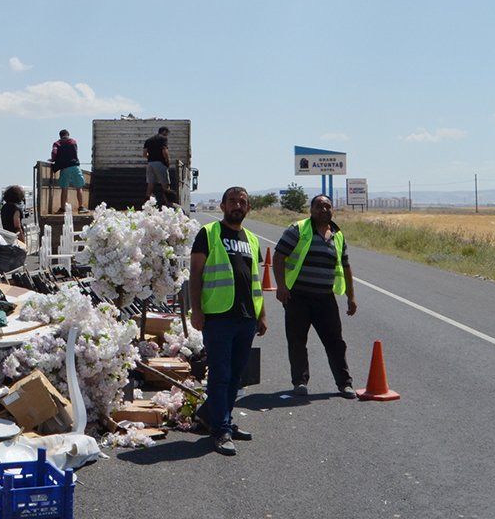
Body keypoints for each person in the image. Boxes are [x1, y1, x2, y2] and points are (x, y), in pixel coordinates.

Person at [189, 186, 268, 456]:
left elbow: (254, 278)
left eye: (242, 202)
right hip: (219, 316)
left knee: (236, 376)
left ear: (248, 208)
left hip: (246, 317)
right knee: (220, 375)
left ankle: (220, 419)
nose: (237, 205)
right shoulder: (208, 234)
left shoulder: (252, 240)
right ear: (222, 206)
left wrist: (262, 314)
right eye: (232, 201)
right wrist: (196, 311)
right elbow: (196, 275)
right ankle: (220, 429)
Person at [271, 193, 357, 399]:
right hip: (297, 297)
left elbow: (345, 267)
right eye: (319, 207)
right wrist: (281, 286)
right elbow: (279, 256)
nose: (324, 210)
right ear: (311, 210)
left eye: (327, 207)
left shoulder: (338, 235)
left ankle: (344, 383)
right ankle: (300, 382)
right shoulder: (298, 230)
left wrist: (351, 297)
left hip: (325, 298)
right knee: (297, 340)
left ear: (332, 210)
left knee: (335, 342)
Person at [49, 129, 87, 213]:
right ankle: (81, 208)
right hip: (75, 166)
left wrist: (52, 159)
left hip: (65, 168)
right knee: (79, 187)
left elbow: (54, 152)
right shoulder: (73, 141)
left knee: (64, 188)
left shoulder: (57, 143)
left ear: (60, 136)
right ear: (68, 135)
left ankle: (62, 208)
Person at [143, 126, 171, 206]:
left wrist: (151, 158)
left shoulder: (148, 140)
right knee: (165, 185)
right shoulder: (163, 139)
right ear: (164, 131)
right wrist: (167, 161)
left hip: (150, 164)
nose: (167, 135)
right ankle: (168, 204)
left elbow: (144, 154)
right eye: (167, 133)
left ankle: (146, 204)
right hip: (160, 163)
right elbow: (164, 151)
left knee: (150, 185)